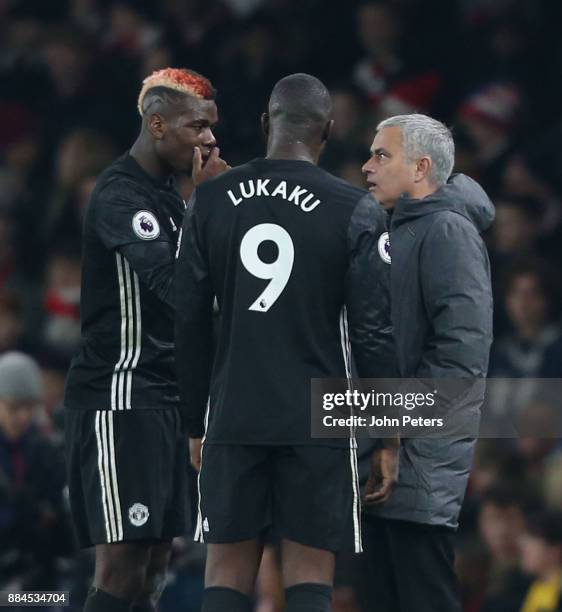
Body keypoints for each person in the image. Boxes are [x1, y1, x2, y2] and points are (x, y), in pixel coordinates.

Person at [175, 73, 397, 612]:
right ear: (330, 129)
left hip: (233, 413)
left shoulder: (210, 201)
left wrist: (194, 423)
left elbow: (187, 321)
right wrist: (388, 437)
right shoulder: (355, 208)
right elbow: (374, 331)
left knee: (225, 571)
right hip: (317, 416)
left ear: (263, 123)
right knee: (309, 575)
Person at [63, 67, 229, 612]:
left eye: (212, 127)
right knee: (122, 566)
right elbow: (175, 291)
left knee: (156, 561)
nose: (209, 139)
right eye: (197, 127)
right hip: (120, 397)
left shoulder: (166, 194)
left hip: (163, 401)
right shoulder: (119, 195)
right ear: (157, 124)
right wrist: (205, 204)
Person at [359, 113, 494, 612]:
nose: (366, 165)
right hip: (389, 452)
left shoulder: (447, 231)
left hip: (419, 458)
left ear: (420, 167)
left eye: (381, 155)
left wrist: (388, 429)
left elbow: (460, 359)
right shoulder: (399, 228)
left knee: (422, 596)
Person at [0, 352, 73, 590]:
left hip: (39, 574)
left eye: (29, 407)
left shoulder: (47, 449)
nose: (22, 416)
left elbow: (61, 518)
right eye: (13, 407)